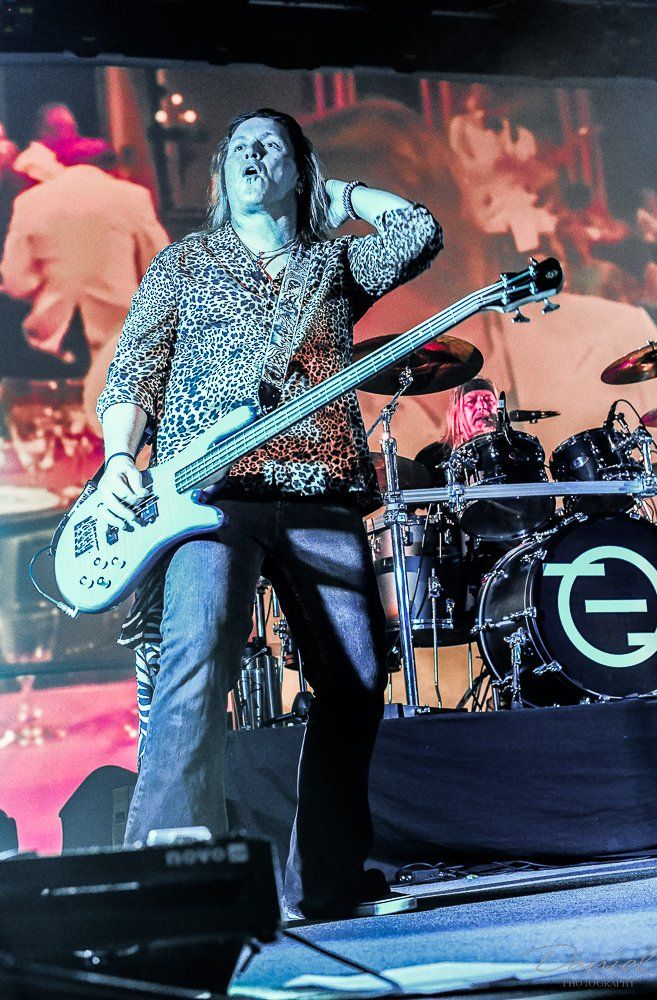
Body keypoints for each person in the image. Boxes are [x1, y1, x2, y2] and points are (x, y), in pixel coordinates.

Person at [93, 107, 442, 919]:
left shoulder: (333, 265)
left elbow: (418, 232)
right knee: (193, 663)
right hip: (209, 497)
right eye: (240, 147)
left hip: (319, 489)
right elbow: (135, 368)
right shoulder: (185, 262)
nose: (253, 155)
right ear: (222, 174)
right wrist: (118, 457)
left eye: (272, 147)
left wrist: (339, 193)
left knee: (356, 678)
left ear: (297, 170)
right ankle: (167, 882)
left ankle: (325, 881)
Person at [0, 142, 168, 431]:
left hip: (52, 351)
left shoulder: (30, 201)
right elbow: (161, 269)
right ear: (112, 168)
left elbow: (16, 283)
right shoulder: (132, 197)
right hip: (121, 346)